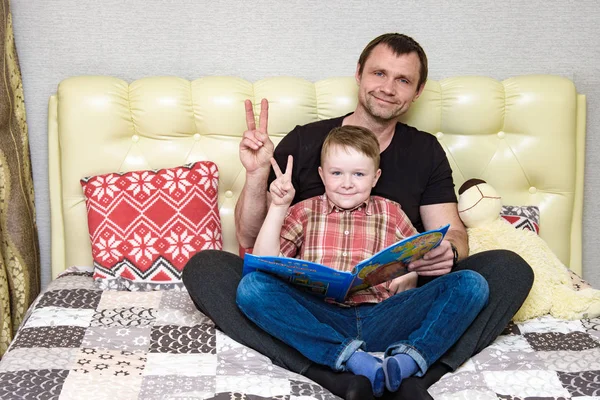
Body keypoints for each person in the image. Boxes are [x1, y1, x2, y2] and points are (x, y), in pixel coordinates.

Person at [183, 33, 534, 400]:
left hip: (394, 308)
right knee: (209, 270)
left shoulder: (424, 152)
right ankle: (336, 374)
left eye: (402, 80)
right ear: (359, 74)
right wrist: (257, 176)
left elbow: (451, 234)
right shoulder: (306, 142)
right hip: (311, 309)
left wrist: (446, 254)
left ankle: (413, 375)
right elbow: (251, 239)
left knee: (507, 270)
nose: (387, 87)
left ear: (418, 91)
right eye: (379, 73)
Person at [236, 125, 490, 397]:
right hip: (322, 316)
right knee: (251, 287)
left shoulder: (391, 213)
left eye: (358, 174)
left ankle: (405, 362)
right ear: (322, 175)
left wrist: (411, 274)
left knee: (472, 284)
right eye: (336, 173)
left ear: (375, 177)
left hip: (384, 316)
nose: (347, 183)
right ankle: (353, 358)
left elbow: (417, 254)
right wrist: (278, 206)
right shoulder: (304, 211)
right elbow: (264, 260)